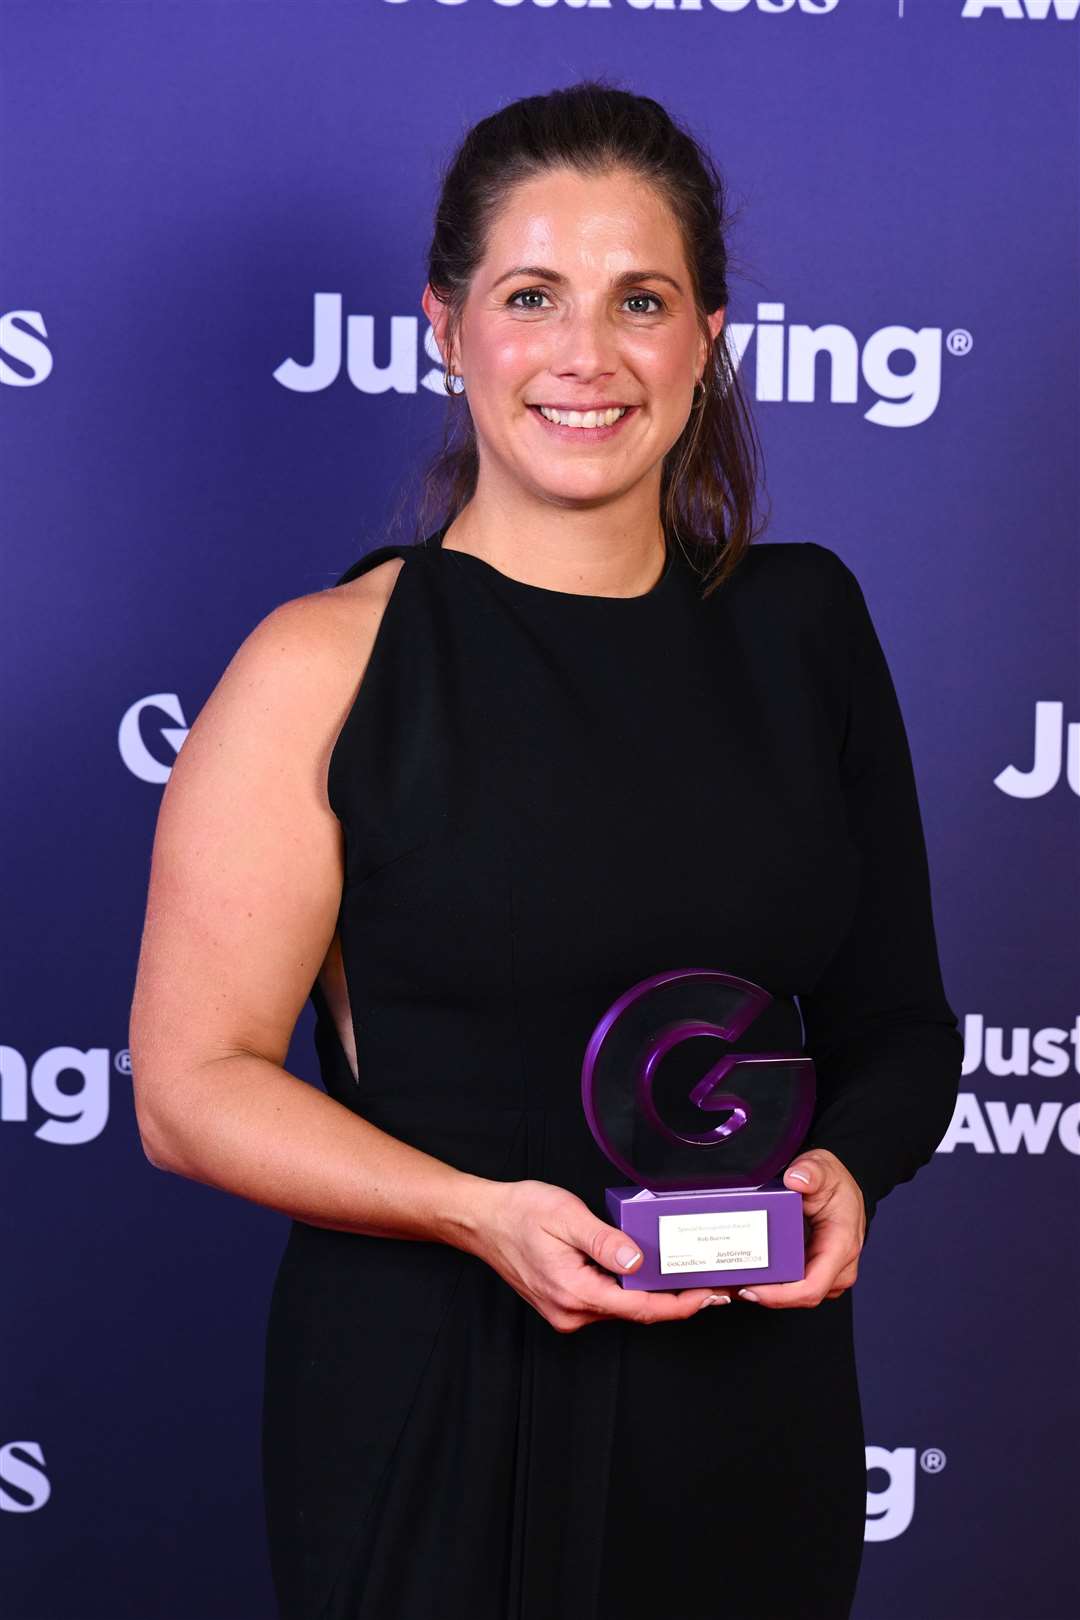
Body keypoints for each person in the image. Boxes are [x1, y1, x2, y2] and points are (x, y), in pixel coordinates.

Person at [128, 80, 963, 1620]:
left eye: (639, 300)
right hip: (439, 1405)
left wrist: (847, 1169)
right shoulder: (326, 663)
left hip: (748, 1414)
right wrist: (477, 1211)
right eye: (533, 297)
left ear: (708, 337)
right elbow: (191, 1089)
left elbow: (899, 1029)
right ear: (449, 330)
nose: (587, 354)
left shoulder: (808, 629)